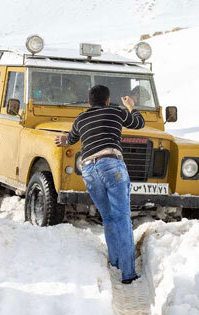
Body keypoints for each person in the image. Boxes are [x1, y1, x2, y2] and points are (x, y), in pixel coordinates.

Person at [55, 85, 145, 283]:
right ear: (107, 100)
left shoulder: (80, 119)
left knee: (108, 218)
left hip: (88, 170)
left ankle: (115, 264)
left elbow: (69, 139)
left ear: (89, 102)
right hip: (111, 164)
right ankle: (128, 273)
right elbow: (138, 123)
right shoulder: (115, 111)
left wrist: (63, 139)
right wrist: (131, 106)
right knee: (122, 217)